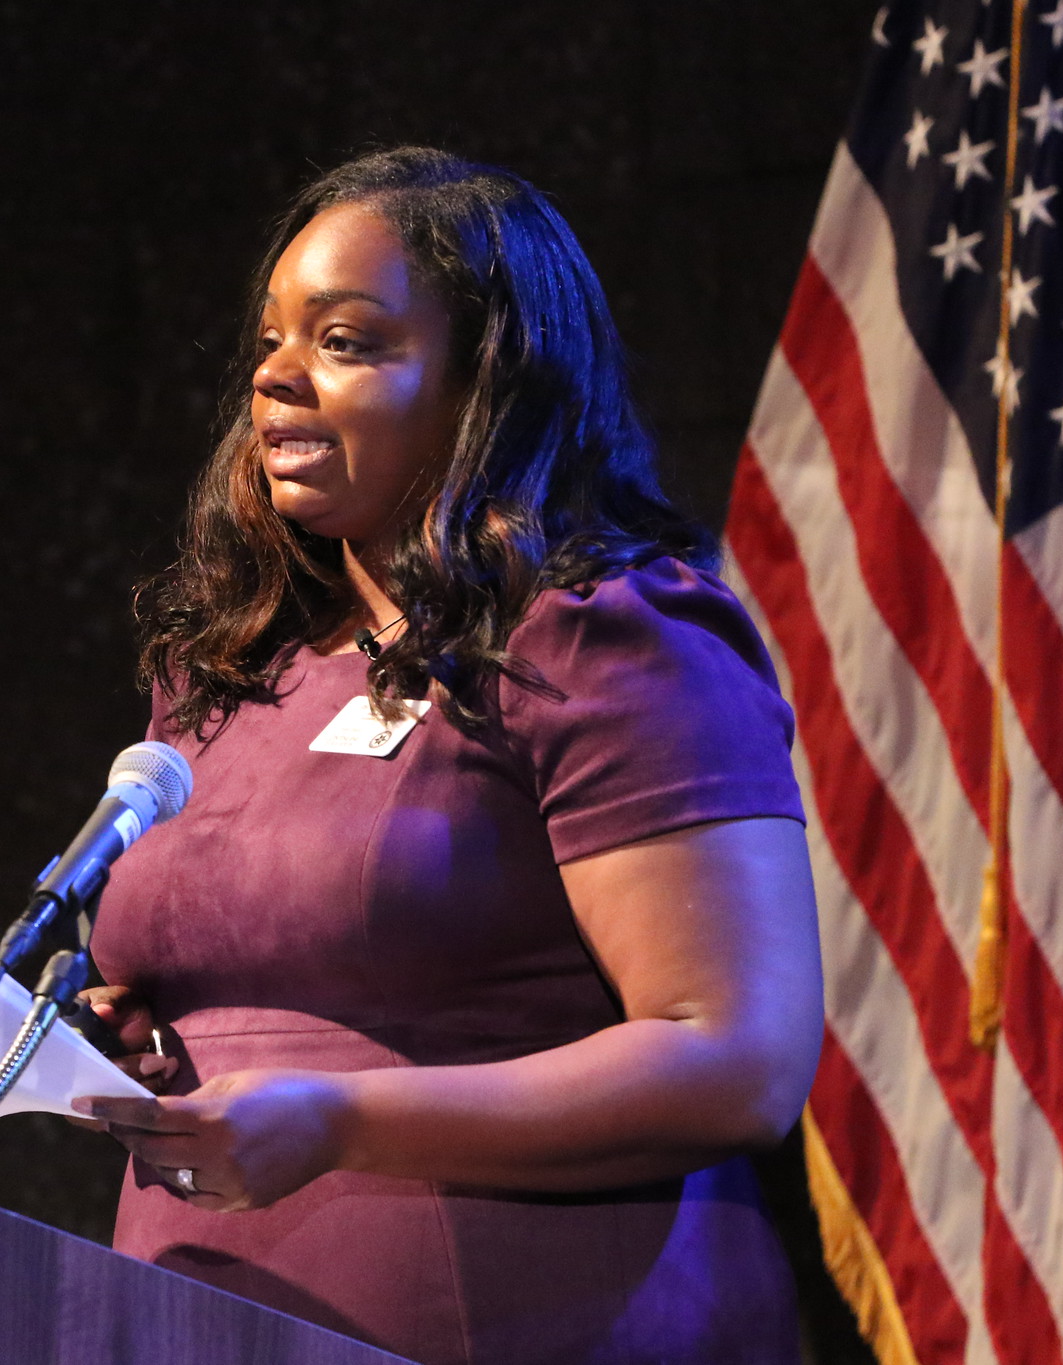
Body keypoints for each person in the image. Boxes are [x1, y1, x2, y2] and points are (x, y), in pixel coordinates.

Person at [75, 148, 824, 1365]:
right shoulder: (229, 670)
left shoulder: (603, 637)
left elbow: (734, 1057)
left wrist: (335, 1116)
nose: (273, 375)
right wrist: (146, 1040)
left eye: (343, 341)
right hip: (194, 1320)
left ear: (485, 380)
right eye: (269, 340)